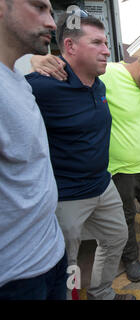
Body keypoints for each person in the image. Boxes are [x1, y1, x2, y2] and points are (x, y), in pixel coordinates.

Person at [31, 50, 140, 284]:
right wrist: (39, 60)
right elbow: (75, 68)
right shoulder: (110, 73)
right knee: (125, 217)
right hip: (121, 168)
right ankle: (131, 259)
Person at [27, 12, 133, 300]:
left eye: (106, 42)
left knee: (116, 238)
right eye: (97, 42)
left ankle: (101, 293)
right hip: (66, 197)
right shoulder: (41, 86)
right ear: (71, 47)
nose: (107, 50)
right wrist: (28, 60)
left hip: (102, 185)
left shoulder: (98, 84)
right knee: (66, 262)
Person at [0, 0, 67, 300]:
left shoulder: (16, 77)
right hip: (16, 278)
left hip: (50, 253)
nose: (52, 23)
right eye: (39, 8)